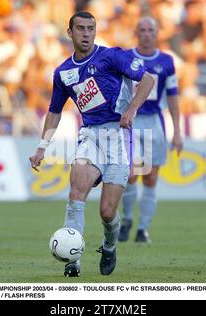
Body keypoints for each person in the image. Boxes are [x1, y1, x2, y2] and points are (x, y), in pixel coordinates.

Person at [29, 12, 155, 277]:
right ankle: (72, 260)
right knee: (76, 192)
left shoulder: (111, 57)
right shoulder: (63, 73)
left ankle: (109, 246)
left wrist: (131, 109)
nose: (86, 33)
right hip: (90, 136)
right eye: (81, 29)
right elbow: (54, 111)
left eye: (91, 28)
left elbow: (147, 79)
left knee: (108, 212)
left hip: (119, 136)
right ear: (70, 33)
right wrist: (42, 146)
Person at [119, 17, 183, 244]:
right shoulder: (126, 57)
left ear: (157, 33)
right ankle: (126, 220)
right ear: (136, 32)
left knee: (151, 177)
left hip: (155, 122)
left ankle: (142, 228)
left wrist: (177, 131)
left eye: (150, 30)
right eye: (142, 30)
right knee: (130, 174)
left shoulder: (166, 61)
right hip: (131, 121)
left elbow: (173, 98)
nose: (146, 34)